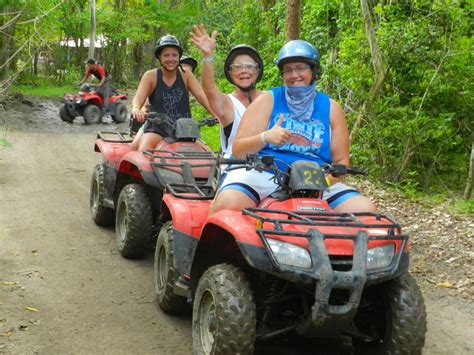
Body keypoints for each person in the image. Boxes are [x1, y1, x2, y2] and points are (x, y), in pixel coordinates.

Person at [209, 40, 376, 215]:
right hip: (266, 174)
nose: (294, 74)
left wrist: (321, 183)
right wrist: (265, 137)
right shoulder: (268, 100)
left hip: (315, 178)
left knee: (365, 210)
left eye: (300, 68)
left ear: (313, 70)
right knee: (227, 203)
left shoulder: (331, 108)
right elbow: (238, 149)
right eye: (288, 70)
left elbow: (341, 163)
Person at [190, 24, 264, 160]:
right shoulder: (228, 103)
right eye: (237, 67)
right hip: (236, 170)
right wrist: (208, 56)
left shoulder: (270, 99)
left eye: (249, 66)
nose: (244, 71)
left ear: (257, 71)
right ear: (230, 73)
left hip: (271, 170)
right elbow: (209, 90)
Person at [131, 35, 214, 151]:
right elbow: (138, 97)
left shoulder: (186, 75)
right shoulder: (151, 76)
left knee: (209, 156)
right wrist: (136, 108)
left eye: (174, 55)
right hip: (157, 128)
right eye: (166, 55)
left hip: (185, 130)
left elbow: (201, 96)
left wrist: (216, 114)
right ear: (159, 57)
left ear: (179, 57)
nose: (171, 59)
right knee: (143, 152)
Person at [130, 54, 199, 151]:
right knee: (135, 146)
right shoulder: (154, 79)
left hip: (183, 129)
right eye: (183, 66)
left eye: (189, 69)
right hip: (155, 123)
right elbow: (143, 101)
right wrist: (141, 110)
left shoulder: (187, 83)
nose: (186, 70)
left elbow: (203, 97)